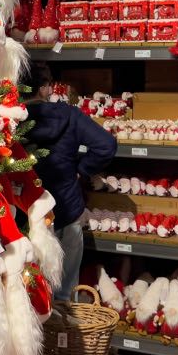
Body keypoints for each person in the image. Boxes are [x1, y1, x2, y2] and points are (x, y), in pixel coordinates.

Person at [25, 63, 117, 299]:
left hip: (27, 215)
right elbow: (106, 145)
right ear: (45, 88)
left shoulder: (10, 122)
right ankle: (66, 334)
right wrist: (81, 170)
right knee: (66, 292)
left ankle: (43, 335)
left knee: (31, 294)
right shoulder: (69, 115)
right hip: (67, 209)